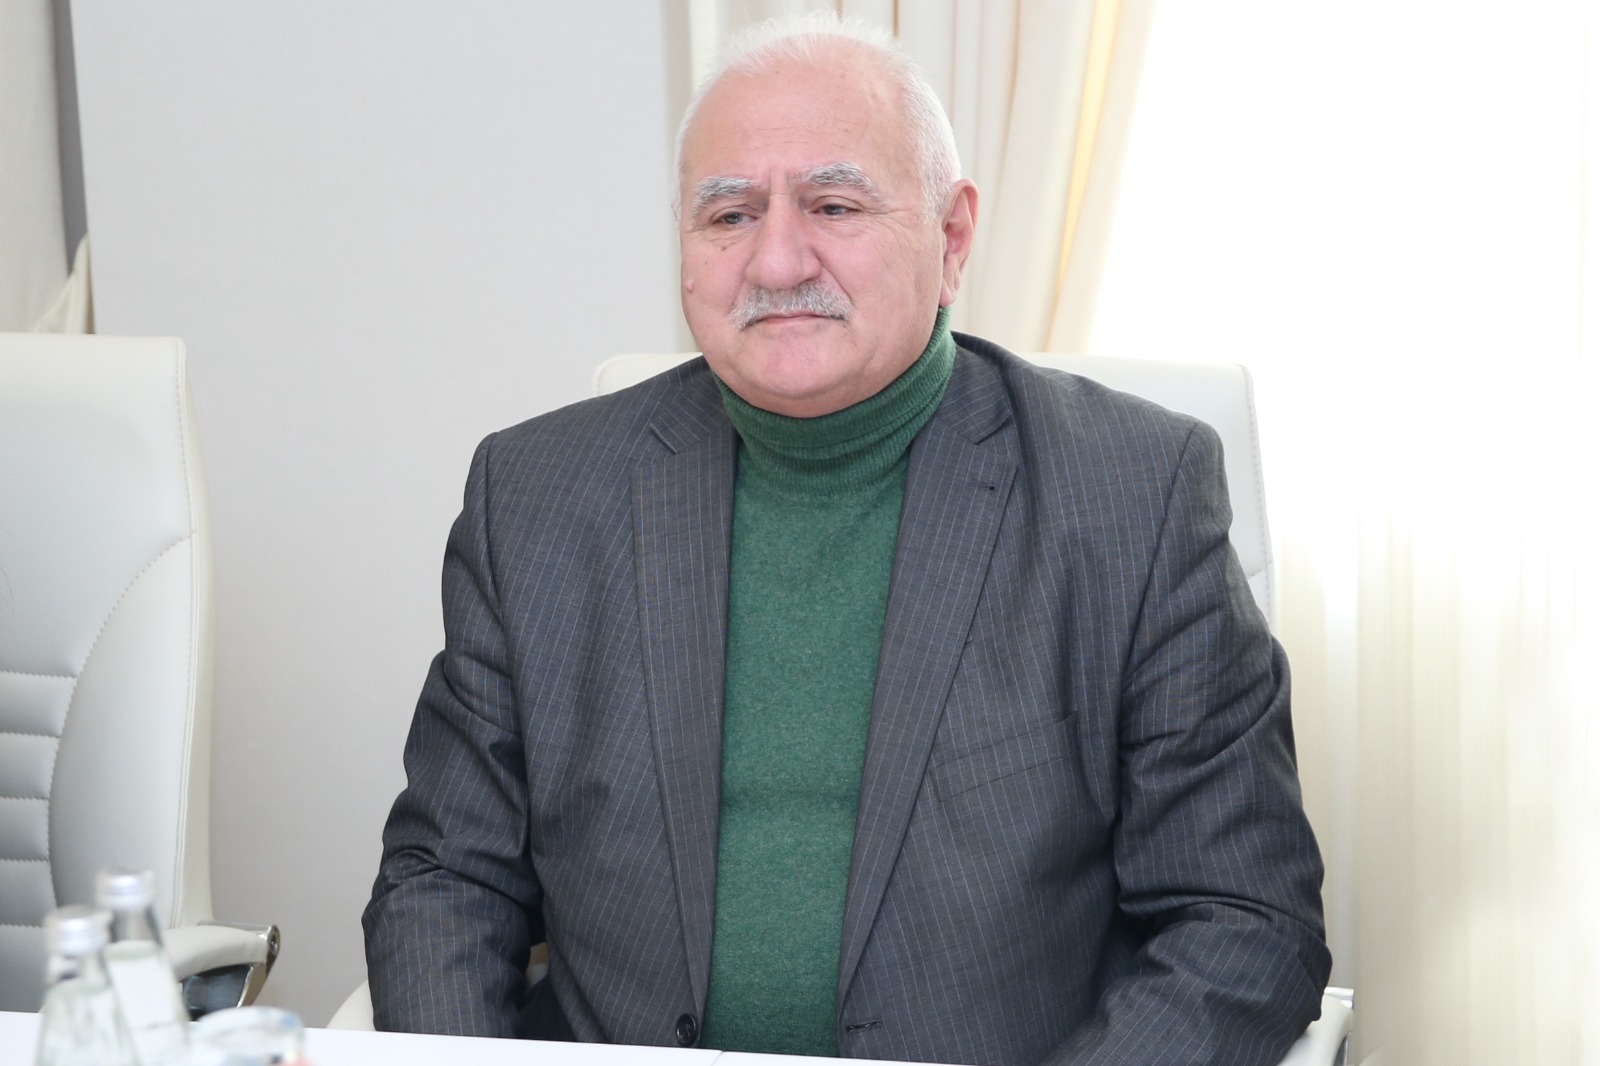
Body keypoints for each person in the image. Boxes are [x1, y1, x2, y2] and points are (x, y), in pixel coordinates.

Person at [363, 14, 1330, 1066]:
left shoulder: (1132, 496)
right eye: (729, 214)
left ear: (951, 239)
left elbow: (1242, 921)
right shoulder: (535, 496)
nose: (777, 259)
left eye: (833, 205)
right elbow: (444, 879)